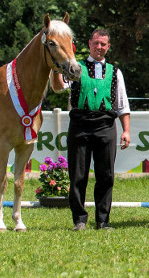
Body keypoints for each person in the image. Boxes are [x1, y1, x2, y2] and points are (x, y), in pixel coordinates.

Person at [51, 28, 132, 231]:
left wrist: (126, 130)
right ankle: (79, 219)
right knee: (78, 175)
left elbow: (122, 104)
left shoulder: (116, 72)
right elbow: (59, 86)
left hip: (106, 126)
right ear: (89, 43)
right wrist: (54, 69)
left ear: (108, 47)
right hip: (80, 126)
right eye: (96, 43)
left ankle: (103, 221)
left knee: (106, 176)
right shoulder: (75, 67)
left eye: (103, 44)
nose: (99, 47)